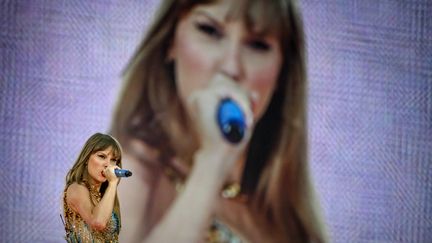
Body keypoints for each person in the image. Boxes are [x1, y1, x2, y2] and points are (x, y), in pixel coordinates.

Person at [111, 0, 328, 242]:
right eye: (210, 31)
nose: (231, 67)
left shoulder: (286, 216)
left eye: (257, 45)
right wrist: (213, 160)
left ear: (281, 72)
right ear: (171, 40)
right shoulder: (124, 172)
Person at [62, 133, 123, 242]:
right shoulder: (77, 188)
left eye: (113, 160)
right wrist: (112, 184)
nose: (108, 164)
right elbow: (98, 222)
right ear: (86, 158)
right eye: (102, 156)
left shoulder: (104, 195)